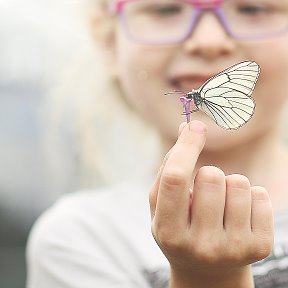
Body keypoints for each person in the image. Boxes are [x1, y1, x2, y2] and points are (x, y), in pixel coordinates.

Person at [26, 0, 288, 287]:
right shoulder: (80, 238)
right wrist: (204, 277)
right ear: (108, 42)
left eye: (254, 9)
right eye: (166, 9)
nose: (208, 41)